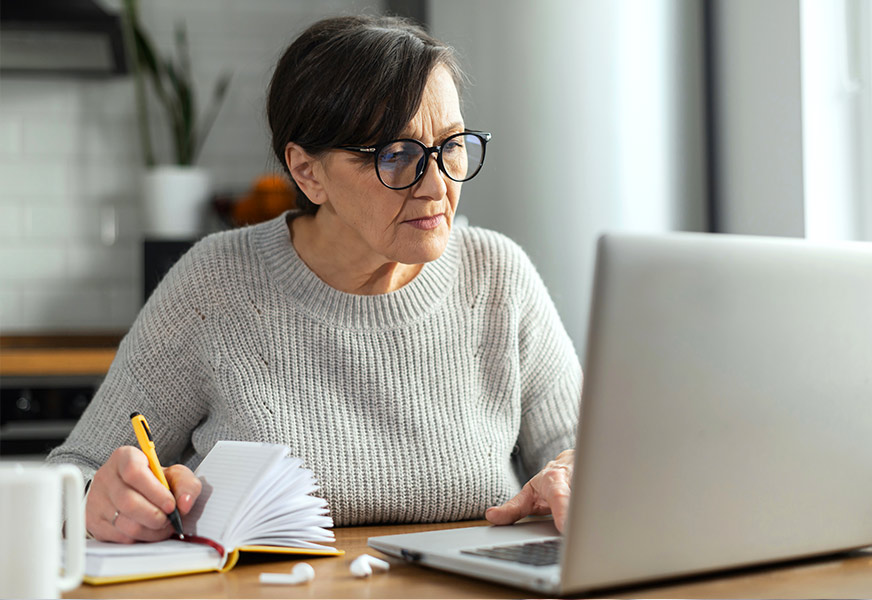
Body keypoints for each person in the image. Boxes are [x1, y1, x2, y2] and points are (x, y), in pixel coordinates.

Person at [46, 15, 581, 543]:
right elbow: (70, 475)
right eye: (397, 155)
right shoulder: (215, 286)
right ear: (307, 172)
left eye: (452, 145)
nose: (437, 186)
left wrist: (575, 472)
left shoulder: (498, 276)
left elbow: (590, 452)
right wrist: (100, 497)